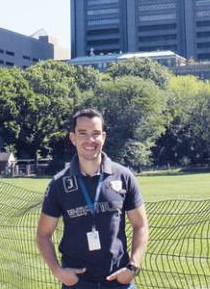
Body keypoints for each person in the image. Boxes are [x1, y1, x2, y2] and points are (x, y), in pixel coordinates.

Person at [36, 108, 149, 289]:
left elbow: (141, 225)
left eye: (96, 134)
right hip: (77, 283)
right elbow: (43, 235)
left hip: (118, 281)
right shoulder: (59, 184)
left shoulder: (123, 176)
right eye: (83, 133)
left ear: (103, 137)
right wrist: (58, 271)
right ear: (73, 138)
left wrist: (133, 266)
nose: (90, 140)